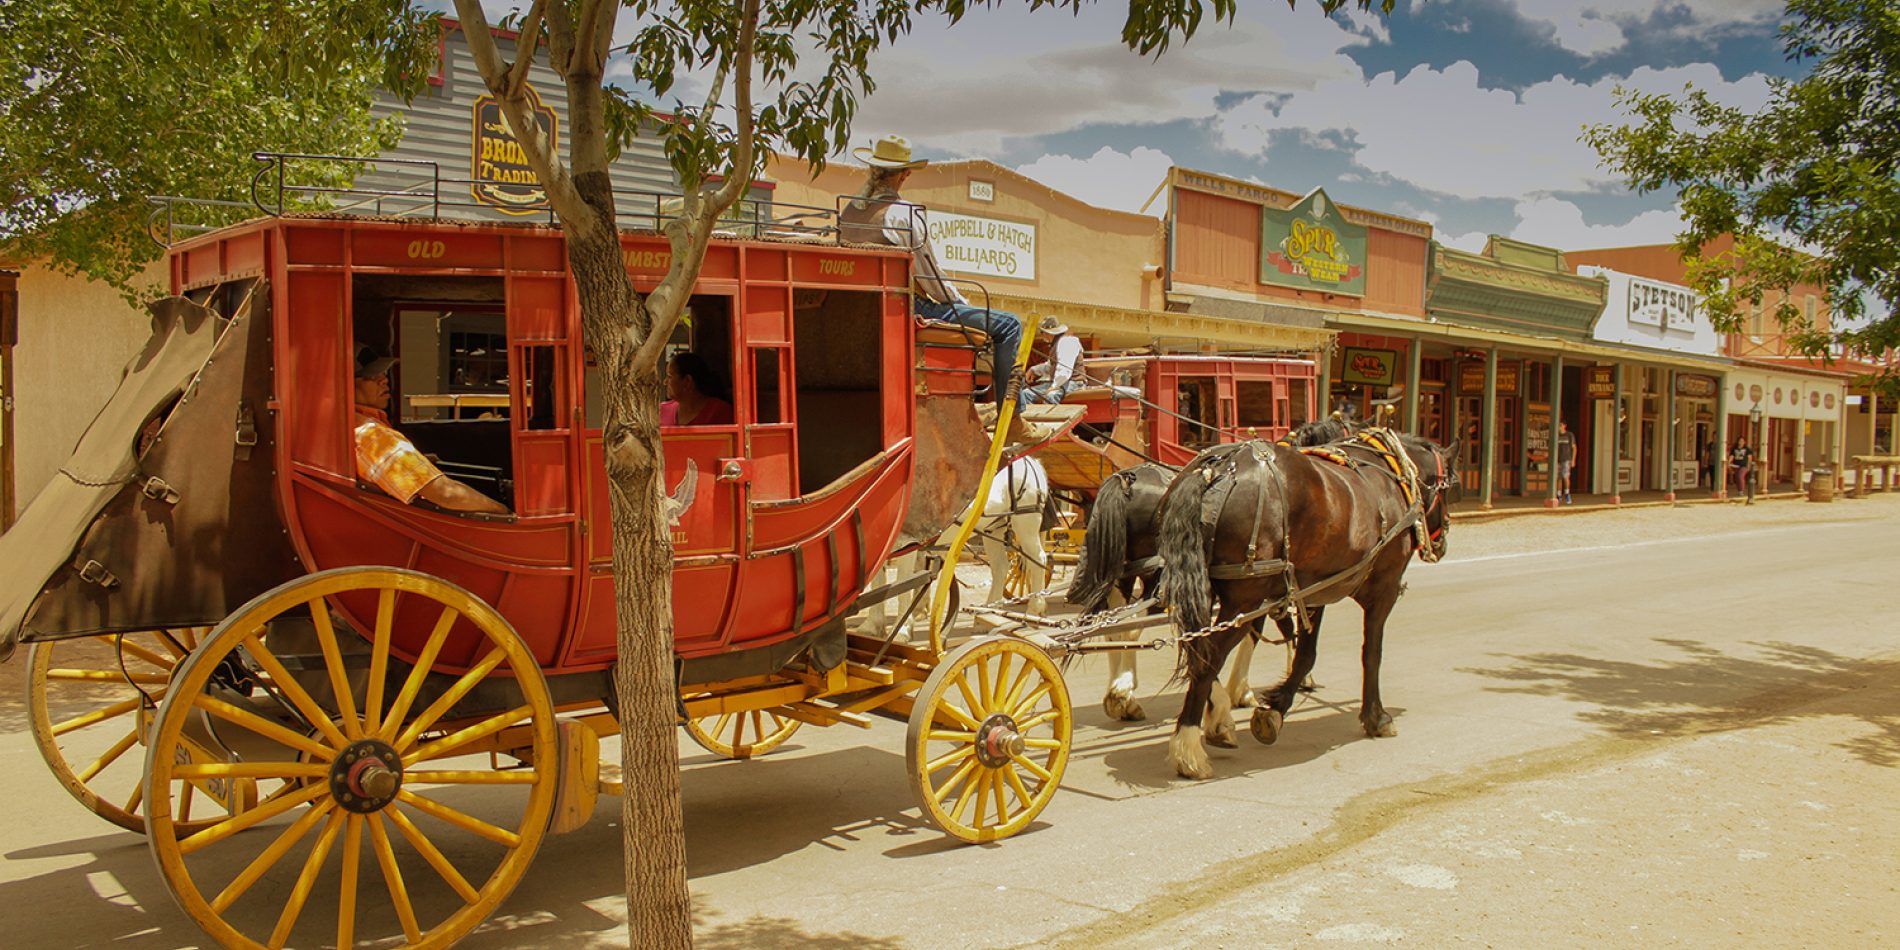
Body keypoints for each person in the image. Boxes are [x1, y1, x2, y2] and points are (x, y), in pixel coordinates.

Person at [840, 134, 1024, 408]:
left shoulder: (848, 213)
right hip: (906, 308)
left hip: (860, 307)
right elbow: (931, 279)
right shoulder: (905, 214)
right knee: (1009, 325)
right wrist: (962, 306)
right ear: (904, 175)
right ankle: (1013, 417)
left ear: (872, 169)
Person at [351, 344, 509, 515]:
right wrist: (504, 512)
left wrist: (421, 461)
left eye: (382, 373)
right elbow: (446, 494)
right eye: (371, 376)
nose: (384, 379)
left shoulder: (354, 426)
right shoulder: (373, 436)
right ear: (346, 384)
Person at [1022, 315, 1084, 405]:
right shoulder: (1056, 344)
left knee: (1051, 396)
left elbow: (1065, 370)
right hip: (1061, 382)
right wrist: (1034, 369)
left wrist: (1055, 386)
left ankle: (1049, 418)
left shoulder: (1067, 342)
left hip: (1073, 383)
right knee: (1026, 394)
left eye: (1042, 332)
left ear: (1048, 333)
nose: (1042, 335)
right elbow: (1050, 366)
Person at [660, 352, 734, 426]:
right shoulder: (662, 411)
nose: (665, 382)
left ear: (687, 381)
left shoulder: (720, 411)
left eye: (670, 377)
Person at [1730, 436, 1756, 505]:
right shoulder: (1734, 449)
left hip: (1744, 466)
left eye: (1742, 441)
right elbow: (1731, 456)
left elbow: (1750, 458)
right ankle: (1739, 490)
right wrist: (1728, 462)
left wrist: (1749, 466)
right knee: (1737, 478)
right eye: (1740, 441)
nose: (1741, 442)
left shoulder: (1747, 449)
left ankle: (1741, 490)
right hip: (1736, 465)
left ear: (1744, 442)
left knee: (1740, 476)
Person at [1555, 420, 1576, 504]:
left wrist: (1573, 459)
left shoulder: (1569, 435)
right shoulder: (1556, 436)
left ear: (1564, 426)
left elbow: (1574, 448)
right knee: (1558, 477)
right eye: (1558, 425)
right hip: (1557, 459)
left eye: (1560, 425)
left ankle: (1567, 494)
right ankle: (1559, 495)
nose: (1559, 427)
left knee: (1565, 476)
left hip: (1566, 459)